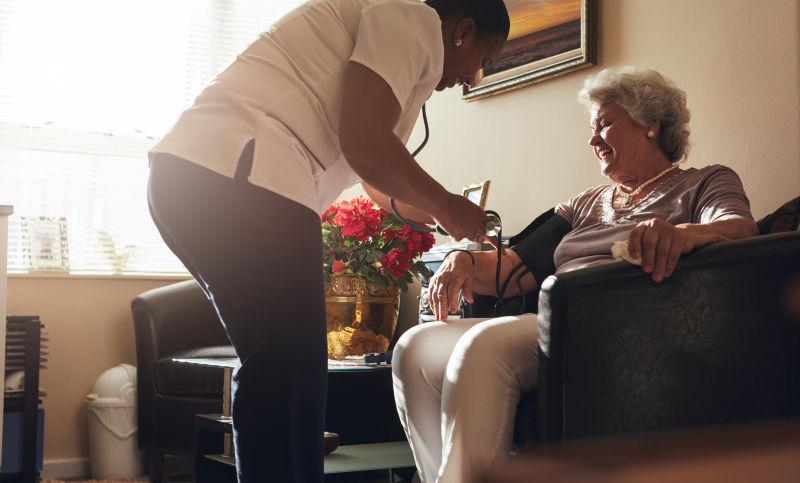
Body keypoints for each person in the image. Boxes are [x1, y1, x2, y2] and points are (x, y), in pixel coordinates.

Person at [146, 1, 510, 482]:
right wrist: (447, 204)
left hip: (195, 175)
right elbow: (366, 143)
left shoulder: (395, 45)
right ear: (463, 31)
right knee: (289, 370)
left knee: (281, 365)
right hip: (244, 172)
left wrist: (445, 219)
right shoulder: (413, 18)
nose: (473, 77)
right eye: (484, 59)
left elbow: (375, 178)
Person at [392, 66, 758, 483]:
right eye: (592, 128)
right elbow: (514, 266)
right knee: (415, 347)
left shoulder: (704, 182)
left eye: (605, 124)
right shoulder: (584, 204)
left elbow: (740, 227)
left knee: (483, 347)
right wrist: (463, 260)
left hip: (630, 325)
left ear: (652, 124)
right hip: (560, 318)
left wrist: (680, 234)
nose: (593, 139)